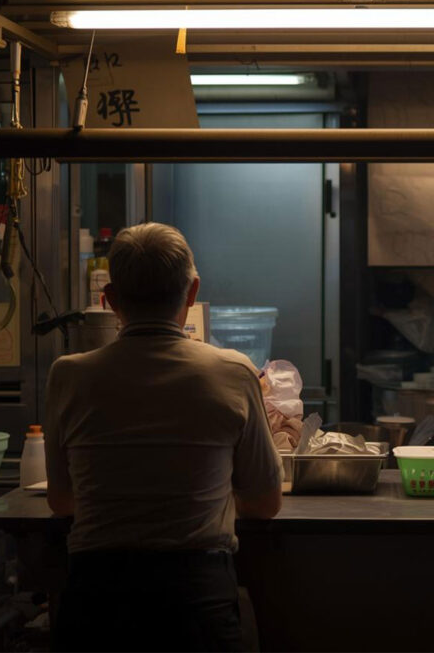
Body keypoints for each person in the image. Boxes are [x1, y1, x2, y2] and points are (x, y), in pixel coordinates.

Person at [45, 222, 283, 652]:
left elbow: (61, 500)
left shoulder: (68, 376)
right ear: (191, 294)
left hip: (95, 604)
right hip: (197, 604)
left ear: (110, 299)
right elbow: (266, 502)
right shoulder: (233, 372)